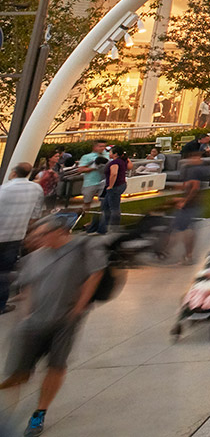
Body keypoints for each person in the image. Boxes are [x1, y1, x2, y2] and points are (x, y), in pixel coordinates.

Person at [0, 215, 106, 437]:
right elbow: (26, 287)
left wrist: (78, 307)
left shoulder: (82, 247)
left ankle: (39, 413)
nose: (37, 239)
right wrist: (27, 313)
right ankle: (7, 417)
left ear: (60, 232)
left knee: (56, 366)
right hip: (34, 321)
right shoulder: (33, 258)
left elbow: (96, 273)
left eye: (42, 234)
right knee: (17, 372)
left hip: (65, 320)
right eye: (35, 235)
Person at [0, 164, 44, 313]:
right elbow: (36, 215)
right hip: (16, 235)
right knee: (5, 271)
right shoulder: (36, 189)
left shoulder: (4, 190)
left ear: (13, 173)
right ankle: (1, 304)